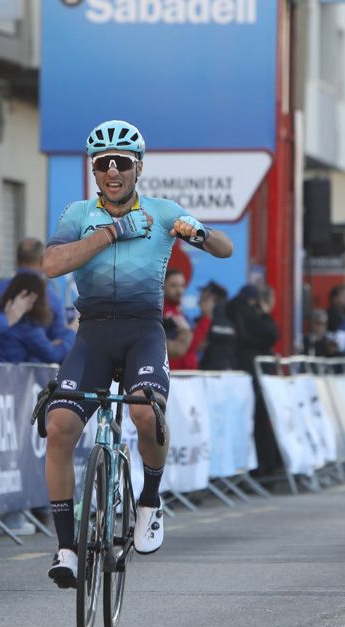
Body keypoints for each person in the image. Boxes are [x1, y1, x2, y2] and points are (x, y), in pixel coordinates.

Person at [42, 119, 233, 587]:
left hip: (143, 332)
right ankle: (67, 547)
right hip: (93, 335)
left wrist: (198, 234)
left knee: (146, 413)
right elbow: (50, 265)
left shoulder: (164, 213)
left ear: (138, 168)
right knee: (59, 425)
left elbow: (225, 249)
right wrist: (110, 233)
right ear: (93, 169)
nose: (111, 171)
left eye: (121, 163)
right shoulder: (78, 214)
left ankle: (149, 500)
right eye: (102, 163)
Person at [229, 283, 282, 475]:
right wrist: (265, 315)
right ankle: (262, 467)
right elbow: (271, 334)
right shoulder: (248, 315)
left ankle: (263, 466)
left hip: (247, 376)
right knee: (257, 420)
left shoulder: (237, 312)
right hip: (249, 376)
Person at [0, 273, 74, 364]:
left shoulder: (0, 317)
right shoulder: (26, 327)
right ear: (33, 298)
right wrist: (71, 331)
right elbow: (53, 355)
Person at [162, 268, 199, 369]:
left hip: (187, 377)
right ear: (162, 286)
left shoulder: (180, 313)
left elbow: (194, 345)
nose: (179, 290)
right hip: (171, 376)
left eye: (182, 286)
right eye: (174, 286)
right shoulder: (158, 314)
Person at [196, 281, 235, 370]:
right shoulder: (232, 319)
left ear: (213, 299)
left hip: (209, 374)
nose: (199, 302)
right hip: (230, 372)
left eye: (203, 298)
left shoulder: (208, 322)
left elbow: (197, 346)